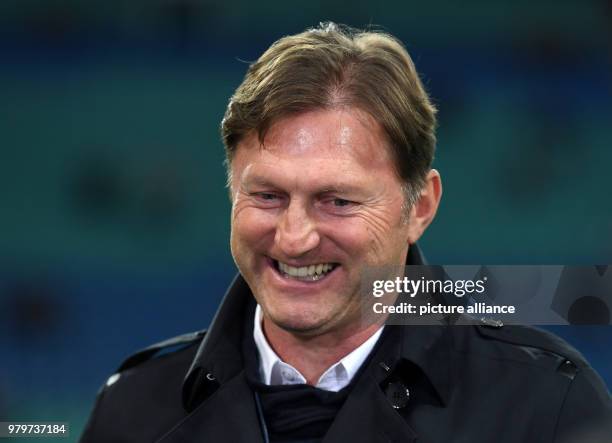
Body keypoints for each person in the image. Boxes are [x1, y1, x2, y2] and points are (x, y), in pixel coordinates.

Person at [80, 23, 612, 442]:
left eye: (337, 201)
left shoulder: (545, 406)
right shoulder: (133, 408)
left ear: (419, 206)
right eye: (267, 195)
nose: (294, 238)